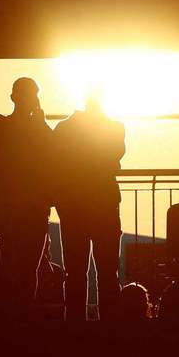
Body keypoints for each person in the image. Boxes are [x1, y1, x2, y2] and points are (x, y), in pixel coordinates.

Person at [0, 77, 55, 314]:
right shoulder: (35, 131)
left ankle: (13, 317)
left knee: (13, 265)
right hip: (31, 207)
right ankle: (23, 316)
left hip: (9, 207)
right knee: (28, 269)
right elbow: (56, 160)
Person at [52, 89, 125, 322]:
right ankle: (110, 323)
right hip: (104, 203)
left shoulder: (64, 129)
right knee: (107, 270)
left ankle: (74, 324)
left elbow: (56, 162)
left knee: (74, 270)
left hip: (74, 206)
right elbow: (115, 156)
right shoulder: (114, 127)